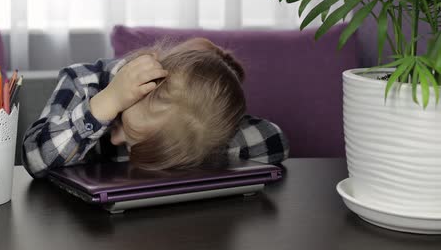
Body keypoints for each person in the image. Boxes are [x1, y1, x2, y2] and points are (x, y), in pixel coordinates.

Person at [22, 38, 288, 178]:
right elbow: (35, 159)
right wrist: (105, 105)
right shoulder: (82, 81)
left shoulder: (197, 123)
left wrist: (206, 141)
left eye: (134, 142)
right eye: (119, 121)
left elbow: (277, 141)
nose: (114, 138)